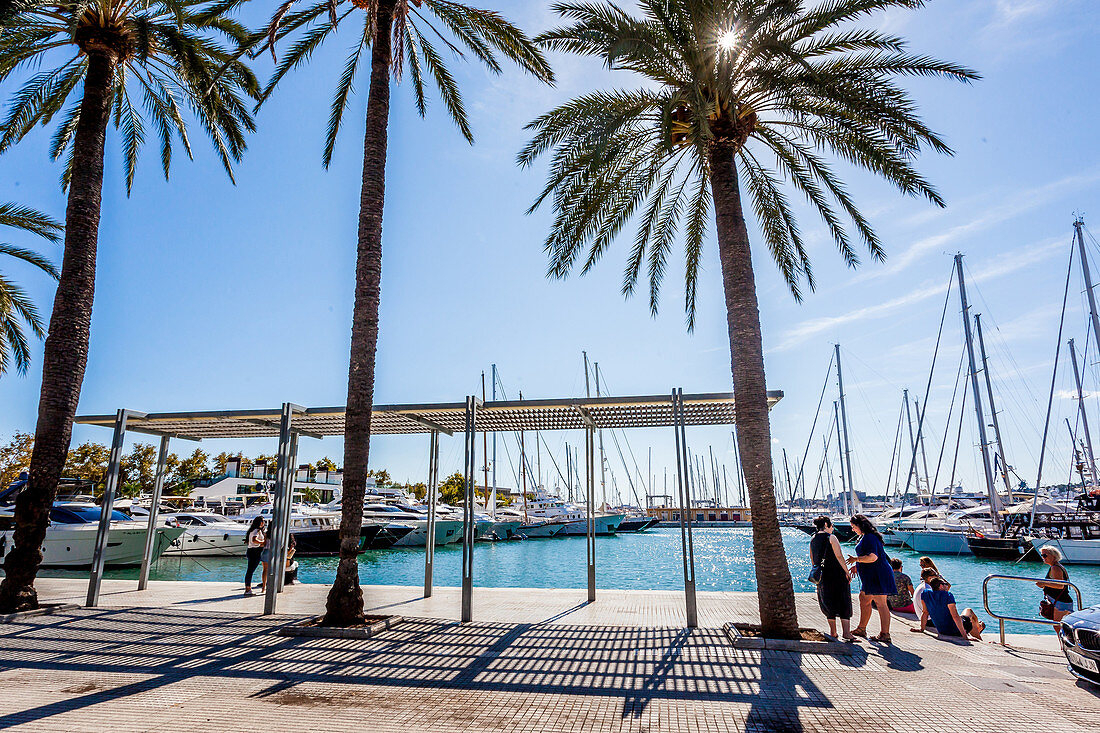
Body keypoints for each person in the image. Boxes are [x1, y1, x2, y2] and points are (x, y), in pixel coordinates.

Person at [846, 513, 896, 643]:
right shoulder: (867, 537)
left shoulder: (869, 538)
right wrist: (858, 565)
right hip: (872, 575)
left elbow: (873, 557)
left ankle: (885, 634)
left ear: (859, 525)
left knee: (880, 603)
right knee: (864, 599)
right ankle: (862, 628)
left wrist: (856, 560)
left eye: (853, 526)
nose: (852, 529)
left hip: (877, 575)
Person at [809, 516, 855, 641]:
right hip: (836, 574)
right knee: (843, 601)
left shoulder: (813, 539)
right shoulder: (831, 537)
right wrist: (847, 572)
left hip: (823, 575)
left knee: (828, 601)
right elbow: (839, 556)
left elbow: (813, 560)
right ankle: (846, 633)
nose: (833, 528)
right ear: (826, 524)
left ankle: (833, 632)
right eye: (831, 525)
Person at [914, 577, 985, 640]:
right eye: (945, 584)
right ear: (941, 586)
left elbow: (925, 612)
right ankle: (978, 630)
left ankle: (978, 628)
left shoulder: (926, 593)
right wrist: (965, 637)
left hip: (941, 630)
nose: (947, 585)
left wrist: (922, 629)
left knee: (966, 618)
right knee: (969, 611)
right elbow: (955, 616)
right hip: (954, 630)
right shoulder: (948, 595)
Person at [1037, 546, 1074, 621]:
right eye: (1042, 555)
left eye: (1045, 555)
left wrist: (1044, 584)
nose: (1043, 557)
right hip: (1061, 600)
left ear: (1053, 556)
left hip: (1060, 602)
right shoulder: (1056, 566)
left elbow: (1060, 585)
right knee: (1061, 625)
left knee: (1058, 625)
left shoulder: (1055, 568)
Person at [244, 517, 265, 596]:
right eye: (262, 521)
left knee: (249, 571)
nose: (263, 523)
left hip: (251, 551)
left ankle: (248, 588)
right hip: (254, 551)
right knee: (250, 571)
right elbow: (254, 540)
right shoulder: (257, 530)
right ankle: (248, 589)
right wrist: (262, 542)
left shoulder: (252, 530)